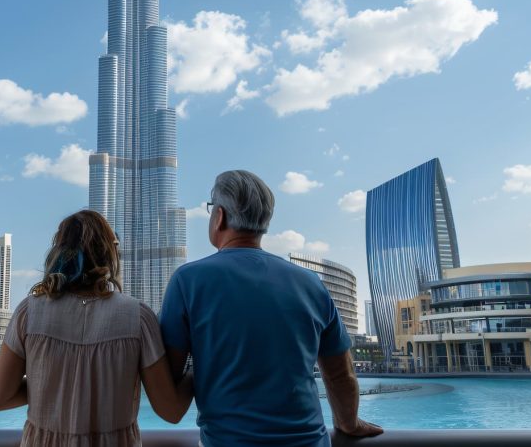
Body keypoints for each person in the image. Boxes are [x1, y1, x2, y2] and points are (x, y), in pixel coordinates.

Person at [159, 170, 383, 446]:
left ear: (220, 216)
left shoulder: (188, 281)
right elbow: (340, 373)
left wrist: (202, 369)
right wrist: (349, 423)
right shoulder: (311, 283)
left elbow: (169, 393)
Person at [0, 209, 193, 446]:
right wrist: (195, 370)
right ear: (109, 254)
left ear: (59, 251)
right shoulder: (137, 317)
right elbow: (171, 411)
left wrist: (50, 389)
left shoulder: (29, 312)